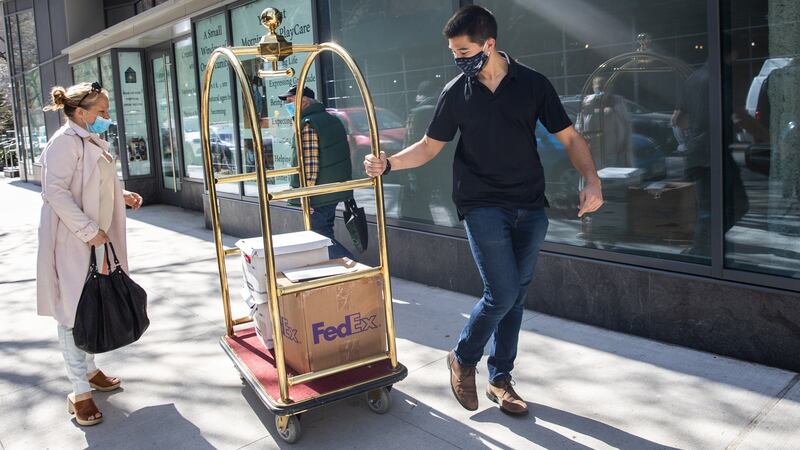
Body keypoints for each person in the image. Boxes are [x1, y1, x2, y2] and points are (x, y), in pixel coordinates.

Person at [365, 6, 603, 416]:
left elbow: (569, 138)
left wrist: (592, 180)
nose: (457, 59)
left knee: (516, 298)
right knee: (502, 293)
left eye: (463, 51)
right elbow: (429, 146)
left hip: (530, 205)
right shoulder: (456, 92)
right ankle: (463, 357)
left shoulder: (532, 84)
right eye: (453, 52)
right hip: (481, 204)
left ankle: (500, 379)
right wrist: (388, 164)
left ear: (488, 44)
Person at [37, 82, 143, 426]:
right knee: (72, 312)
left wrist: (121, 195)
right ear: (81, 112)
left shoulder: (88, 139)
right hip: (72, 239)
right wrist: (86, 230)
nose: (107, 117)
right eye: (102, 111)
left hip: (94, 237)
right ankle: (79, 392)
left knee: (92, 301)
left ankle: (90, 369)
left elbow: (92, 183)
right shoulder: (64, 143)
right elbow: (55, 192)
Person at [280, 85, 355, 260]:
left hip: (318, 195)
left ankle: (358, 268)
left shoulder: (308, 124)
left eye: (291, 101)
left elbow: (309, 165)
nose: (287, 106)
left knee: (320, 240)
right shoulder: (331, 119)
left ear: (304, 102)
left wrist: (305, 196)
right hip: (332, 190)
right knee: (325, 235)